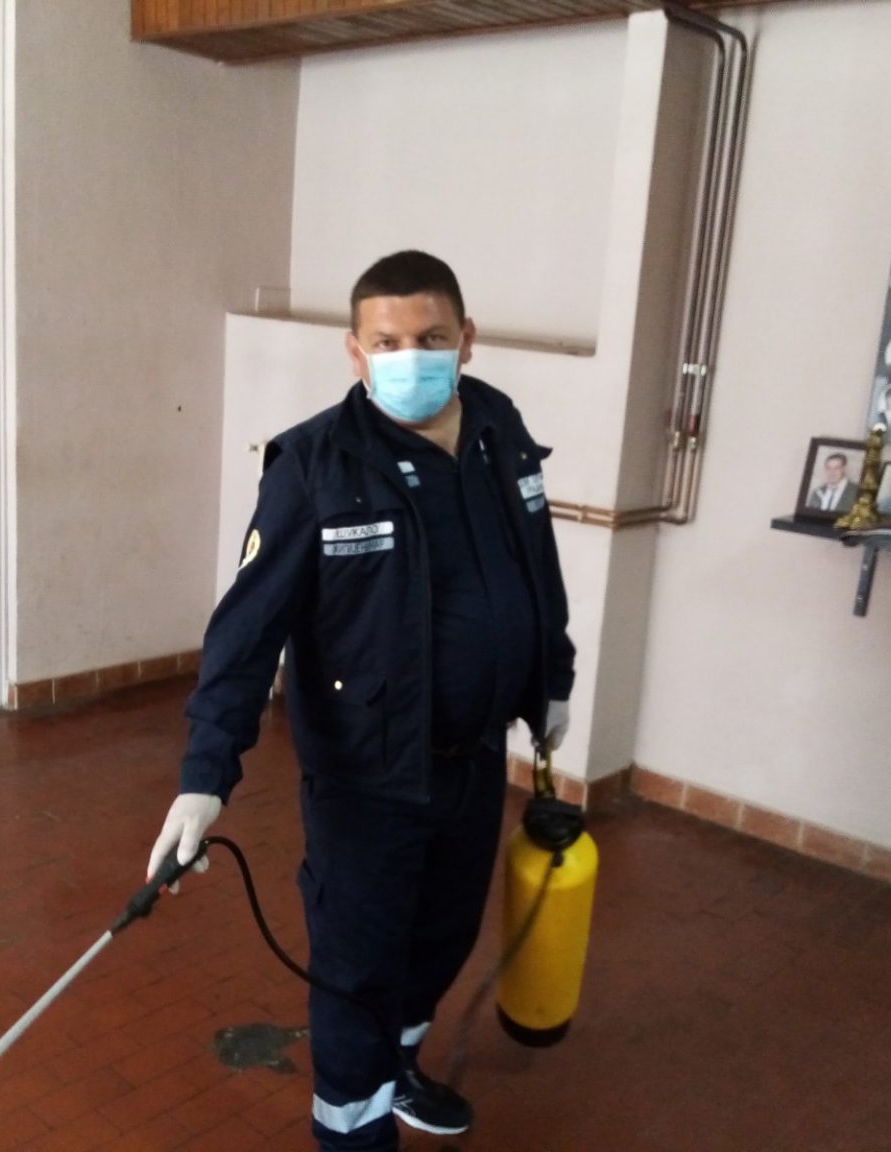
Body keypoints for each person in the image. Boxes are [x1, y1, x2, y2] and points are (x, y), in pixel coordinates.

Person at [145, 250, 576, 1152]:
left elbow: (536, 563)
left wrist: (552, 678)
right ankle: (353, 1134)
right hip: (368, 781)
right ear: (355, 350)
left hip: (473, 762)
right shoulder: (315, 465)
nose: (409, 357)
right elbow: (245, 632)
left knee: (443, 939)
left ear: (466, 339)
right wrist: (204, 775)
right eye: (386, 342)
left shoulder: (498, 429)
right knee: (358, 971)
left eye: (430, 337)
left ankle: (399, 1070)